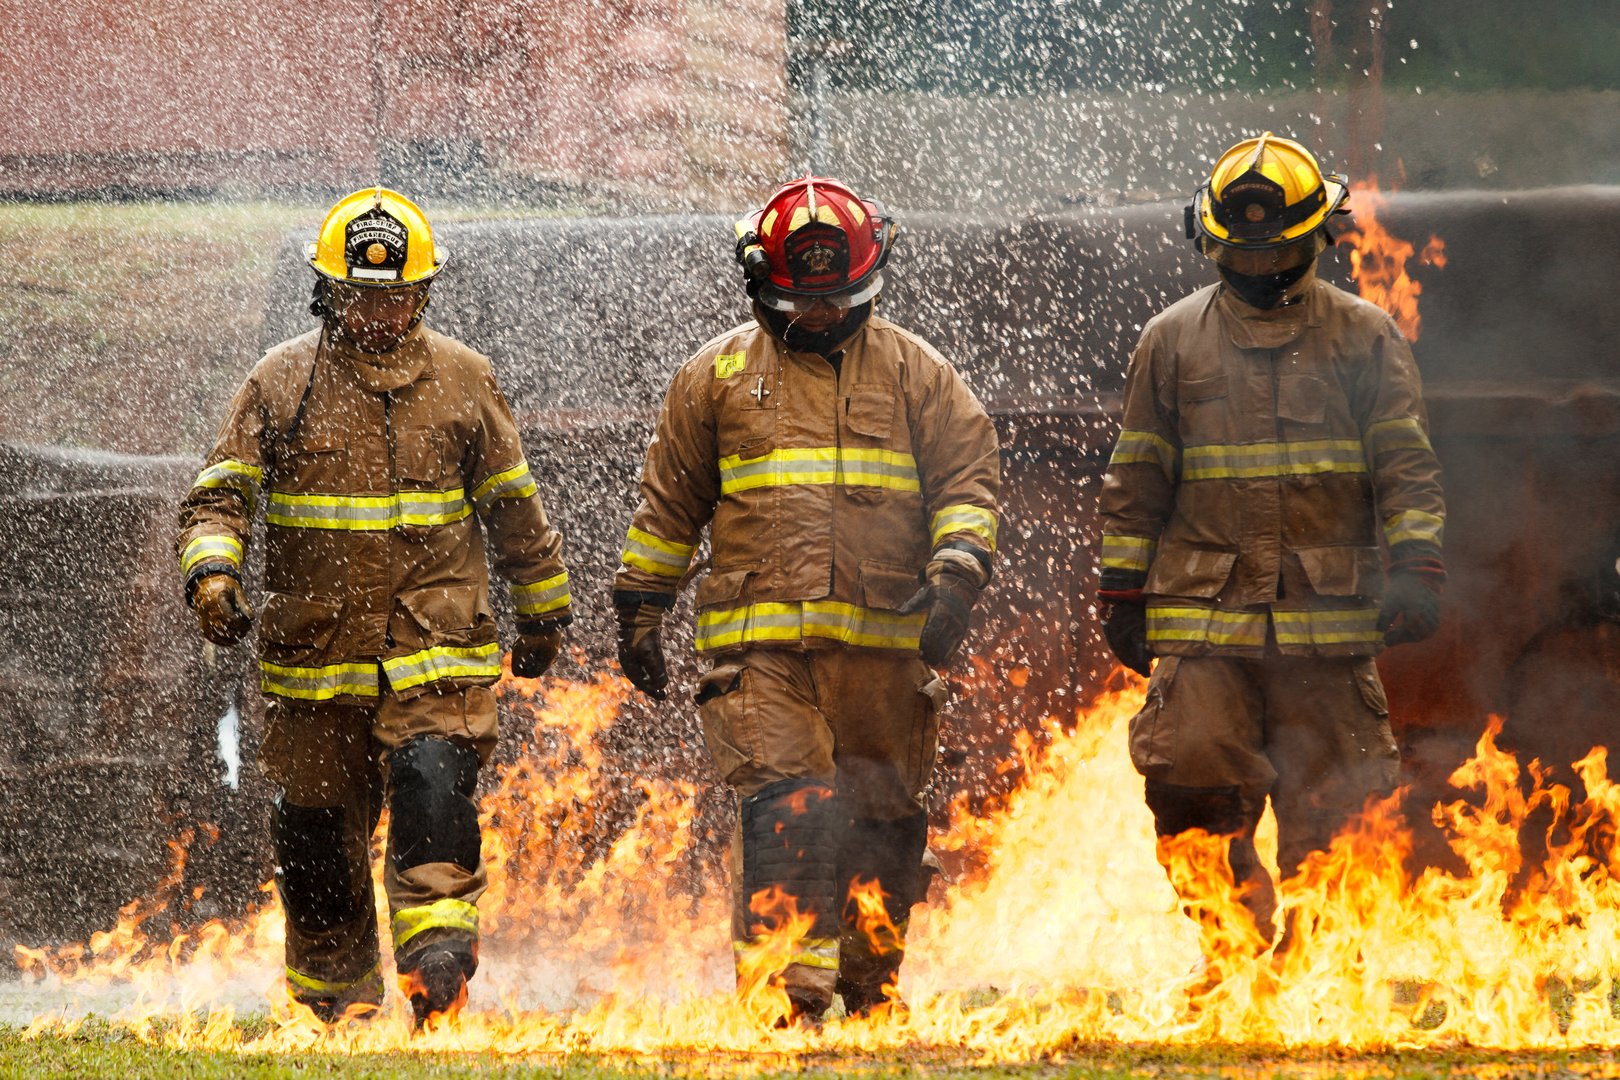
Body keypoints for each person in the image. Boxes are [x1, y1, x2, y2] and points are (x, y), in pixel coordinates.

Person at [176, 188, 572, 1024]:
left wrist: (544, 615)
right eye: (362, 295)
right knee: (317, 846)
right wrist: (214, 576)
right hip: (316, 668)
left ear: (423, 292)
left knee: (435, 798)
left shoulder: (466, 381)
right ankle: (339, 1015)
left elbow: (514, 511)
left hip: (437, 662)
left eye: (396, 295)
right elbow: (218, 499)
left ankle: (439, 978)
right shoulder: (278, 382)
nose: (381, 312)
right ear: (327, 292)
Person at [612, 175, 1001, 1021]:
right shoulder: (713, 378)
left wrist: (958, 573)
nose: (822, 315)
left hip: (883, 656)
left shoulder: (916, 374)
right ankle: (786, 1008)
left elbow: (968, 482)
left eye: (841, 297)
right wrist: (642, 605)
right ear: (757, 280)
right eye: (803, 301)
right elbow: (671, 504)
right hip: (762, 659)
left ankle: (866, 997)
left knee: (880, 828)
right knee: (791, 811)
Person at [1097, 134, 1446, 964]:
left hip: (1326, 624)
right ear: (1210, 238)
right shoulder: (1173, 339)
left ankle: (1312, 976)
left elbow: (1404, 463)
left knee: (1337, 809)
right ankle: (1234, 956)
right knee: (1188, 785)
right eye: (1240, 249)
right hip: (1204, 619)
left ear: (1319, 235)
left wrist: (1417, 564)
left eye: (1277, 248)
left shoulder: (1365, 336)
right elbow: (1137, 472)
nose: (1258, 265)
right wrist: (1121, 587)